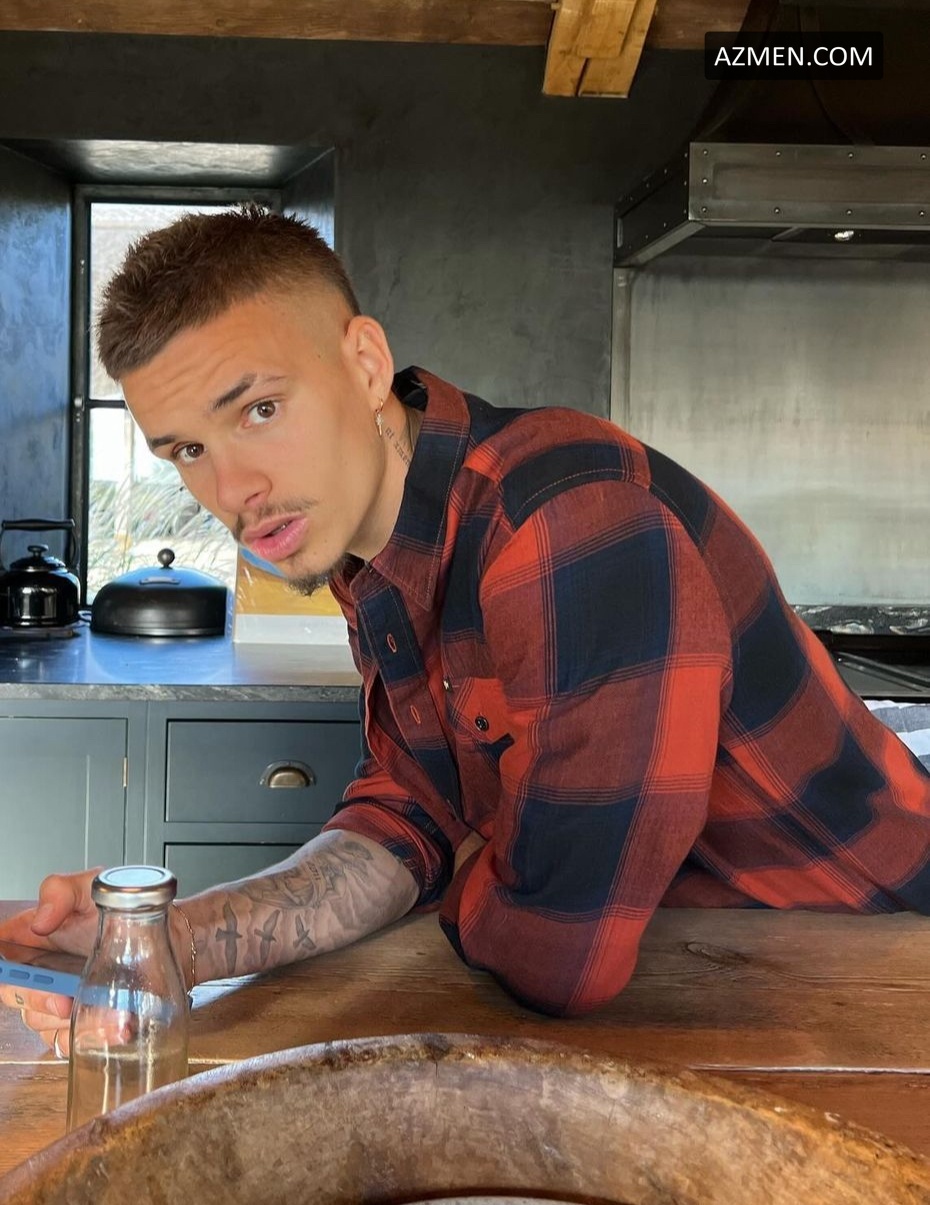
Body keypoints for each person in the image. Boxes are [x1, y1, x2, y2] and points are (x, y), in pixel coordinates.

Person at [2, 206, 929, 1049]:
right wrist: (161, 940)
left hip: (873, 977)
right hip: (706, 979)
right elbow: (410, 810)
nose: (232, 489)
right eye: (189, 450)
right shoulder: (372, 552)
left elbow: (557, 956)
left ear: (366, 365)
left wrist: (465, 862)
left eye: (261, 410)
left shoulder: (567, 521)